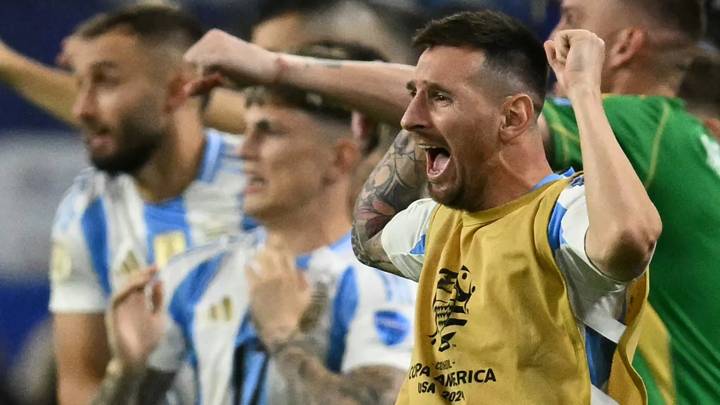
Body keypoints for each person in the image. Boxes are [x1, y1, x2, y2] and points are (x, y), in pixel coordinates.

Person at [182, 2, 719, 402]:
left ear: (620, 47)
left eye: (570, 18)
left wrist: (272, 66)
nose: (554, 39)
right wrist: (417, 128)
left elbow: (480, 101)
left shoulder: (641, 136)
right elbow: (371, 235)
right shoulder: (440, 226)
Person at [91, 41, 416, 405]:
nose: (244, 150)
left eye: (269, 131)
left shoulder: (385, 282)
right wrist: (127, 369)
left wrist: (283, 339)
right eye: (245, 130)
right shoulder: (195, 274)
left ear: (340, 159)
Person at [44, 5, 254, 404]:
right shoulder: (85, 213)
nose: (80, 109)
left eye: (105, 82)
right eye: (79, 84)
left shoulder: (263, 181)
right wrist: (126, 371)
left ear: (178, 89)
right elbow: (79, 387)